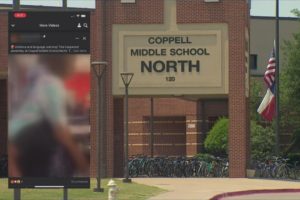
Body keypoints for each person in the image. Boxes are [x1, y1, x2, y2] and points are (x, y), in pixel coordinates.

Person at [8, 55, 89, 177]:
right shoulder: (52, 84)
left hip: (21, 143)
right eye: (72, 61)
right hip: (25, 145)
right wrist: (81, 162)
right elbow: (60, 131)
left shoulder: (40, 80)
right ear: (63, 63)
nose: (73, 66)